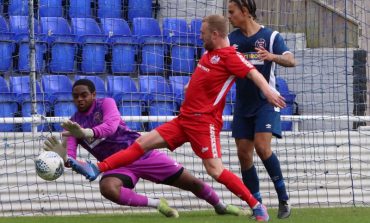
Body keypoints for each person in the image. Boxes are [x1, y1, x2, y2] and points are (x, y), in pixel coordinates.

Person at [66, 15, 286, 222]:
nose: (200, 36)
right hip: (184, 120)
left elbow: (253, 73)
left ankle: (256, 205)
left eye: (203, 33)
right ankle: (98, 168)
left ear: (215, 35)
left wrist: (268, 92)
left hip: (203, 123)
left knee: (215, 170)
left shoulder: (230, 56)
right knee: (141, 143)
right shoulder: (209, 54)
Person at [43, 78, 248, 218]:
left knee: (192, 183)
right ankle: (157, 203)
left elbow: (110, 126)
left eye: (84, 95)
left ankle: (220, 206)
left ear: (93, 95)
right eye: (76, 96)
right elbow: (72, 158)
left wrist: (86, 133)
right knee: (108, 189)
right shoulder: (71, 125)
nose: (80, 99)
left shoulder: (106, 103)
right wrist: (65, 160)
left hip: (140, 152)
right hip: (116, 166)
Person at [227, 0, 296, 219]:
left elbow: (291, 60)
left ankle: (284, 199)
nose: (229, 16)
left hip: (267, 102)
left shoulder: (271, 36)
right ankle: (258, 205)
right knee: (243, 155)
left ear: (245, 12)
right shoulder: (231, 40)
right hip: (242, 105)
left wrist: (272, 56)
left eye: (232, 12)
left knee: (262, 147)